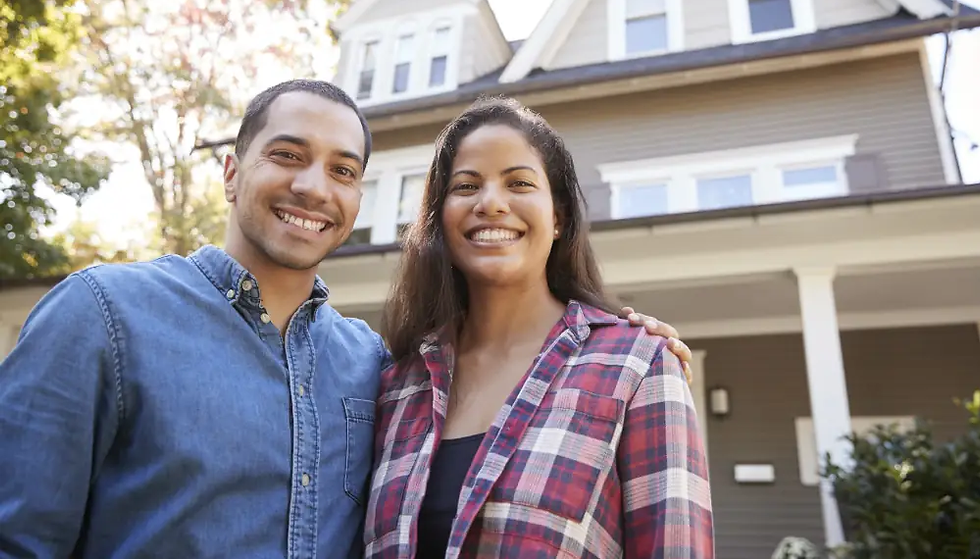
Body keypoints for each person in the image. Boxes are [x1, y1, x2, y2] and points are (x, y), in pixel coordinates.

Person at [0, 79, 691, 558]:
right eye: (288, 156)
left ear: (358, 196)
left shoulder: (372, 368)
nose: (312, 187)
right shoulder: (105, 316)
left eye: (342, 169)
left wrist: (627, 343)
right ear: (232, 172)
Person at [364, 97, 714, 558]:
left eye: (519, 183)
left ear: (558, 218)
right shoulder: (396, 386)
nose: (490, 203)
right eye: (466, 186)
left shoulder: (637, 366)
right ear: (439, 220)